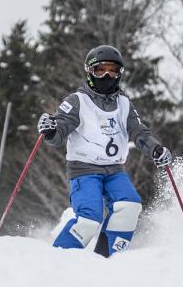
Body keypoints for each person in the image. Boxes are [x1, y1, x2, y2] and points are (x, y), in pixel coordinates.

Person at [36, 44, 172, 256]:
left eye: (113, 70)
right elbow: (59, 129)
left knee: (130, 205)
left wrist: (156, 149)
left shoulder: (125, 104)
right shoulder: (77, 101)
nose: (107, 75)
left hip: (114, 170)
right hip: (84, 169)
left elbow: (139, 132)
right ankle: (59, 260)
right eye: (101, 70)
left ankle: (107, 258)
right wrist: (51, 130)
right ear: (90, 72)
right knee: (89, 218)